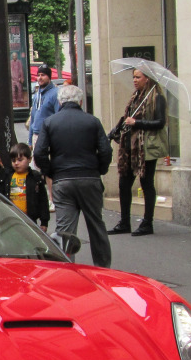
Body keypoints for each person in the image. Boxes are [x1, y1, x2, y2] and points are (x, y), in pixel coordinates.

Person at [33, 84, 112, 268]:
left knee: (64, 230)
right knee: (96, 226)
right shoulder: (92, 121)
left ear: (59, 102)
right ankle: (102, 267)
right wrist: (99, 169)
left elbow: (39, 153)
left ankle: (66, 268)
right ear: (81, 101)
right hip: (89, 177)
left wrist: (50, 171)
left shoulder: (50, 122)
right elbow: (106, 150)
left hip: (62, 179)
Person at [109, 69, 168, 237]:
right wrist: (116, 130)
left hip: (146, 147)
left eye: (138, 77)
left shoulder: (157, 98)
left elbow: (160, 122)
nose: (134, 80)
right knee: (124, 183)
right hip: (130, 146)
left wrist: (137, 122)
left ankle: (147, 222)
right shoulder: (135, 98)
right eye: (133, 77)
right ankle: (124, 222)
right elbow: (126, 119)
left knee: (146, 183)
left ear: (147, 79)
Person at [0, 142, 51, 231]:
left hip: (30, 220)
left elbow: (43, 200)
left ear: (29, 159)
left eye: (20, 160)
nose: (16, 163)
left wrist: (44, 222)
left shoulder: (35, 177)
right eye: (13, 160)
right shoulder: (7, 176)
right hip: (11, 219)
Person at [28, 66, 59, 211]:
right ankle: (45, 199)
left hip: (48, 135)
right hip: (36, 134)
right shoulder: (37, 95)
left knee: (47, 169)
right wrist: (29, 140)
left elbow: (58, 115)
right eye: (38, 75)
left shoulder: (55, 93)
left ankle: (53, 199)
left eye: (43, 75)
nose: (39, 78)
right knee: (39, 169)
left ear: (49, 77)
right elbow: (33, 117)